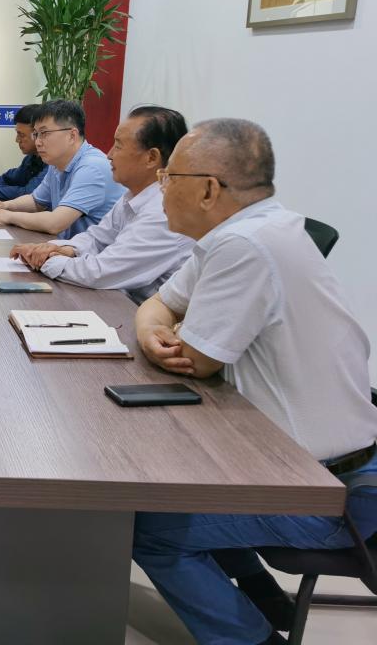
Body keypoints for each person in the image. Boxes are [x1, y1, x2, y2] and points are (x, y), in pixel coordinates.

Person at [132, 118, 377, 645]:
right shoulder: (249, 231)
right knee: (172, 481)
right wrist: (156, 331)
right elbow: (158, 307)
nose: (161, 189)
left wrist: (171, 335)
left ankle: (254, 638)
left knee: (150, 530)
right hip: (296, 465)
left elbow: (195, 360)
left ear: (207, 189)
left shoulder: (246, 244)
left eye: (168, 177)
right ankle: (262, 596)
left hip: (329, 491)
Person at [9, 106, 194, 303]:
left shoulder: (163, 211)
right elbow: (97, 238)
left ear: (151, 158)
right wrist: (61, 248)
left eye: (119, 146)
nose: (109, 155)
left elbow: (101, 272)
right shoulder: (133, 196)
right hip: (117, 300)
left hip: (135, 311)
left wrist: (45, 260)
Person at [0, 99, 125, 238]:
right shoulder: (57, 164)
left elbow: (55, 223)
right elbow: (36, 201)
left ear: (72, 135)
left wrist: (8, 216)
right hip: (70, 248)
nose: (38, 142)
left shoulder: (92, 167)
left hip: (97, 254)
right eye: (36, 134)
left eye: (44, 133)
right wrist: (6, 205)